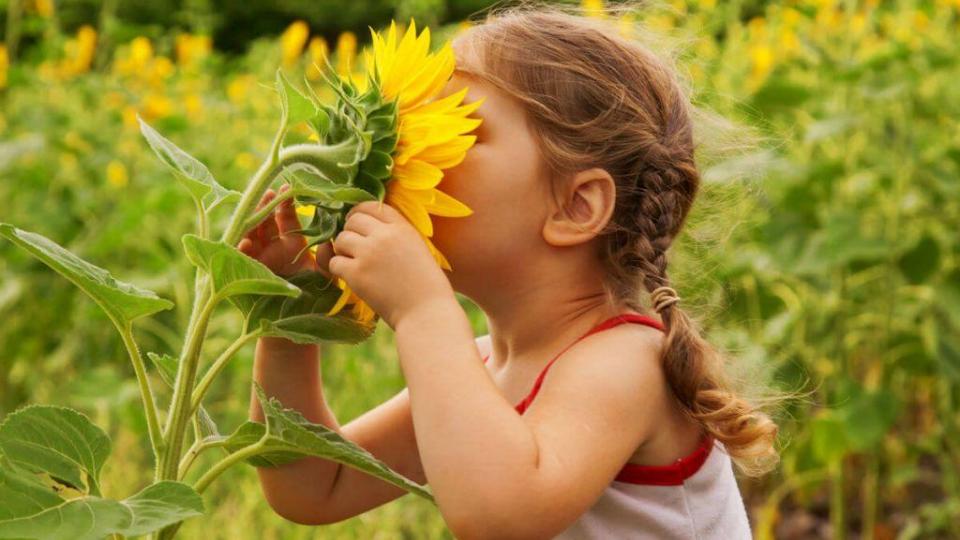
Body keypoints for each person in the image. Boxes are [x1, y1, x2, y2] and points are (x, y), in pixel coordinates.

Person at [239, 4, 782, 538]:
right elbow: (316, 486)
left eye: (460, 131)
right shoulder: (485, 366)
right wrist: (293, 318)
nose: (405, 153)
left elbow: (500, 517)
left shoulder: (625, 365)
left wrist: (424, 312)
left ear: (576, 207)